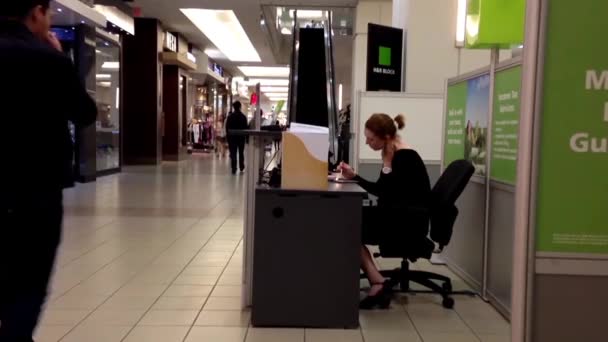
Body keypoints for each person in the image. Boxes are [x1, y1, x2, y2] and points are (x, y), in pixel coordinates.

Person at [1, 1, 97, 340]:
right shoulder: (48, 61)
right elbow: (85, 113)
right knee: (30, 280)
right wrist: (62, 62)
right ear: (37, 13)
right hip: (36, 189)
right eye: (49, 13)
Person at [338, 113, 431, 310]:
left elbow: (384, 192)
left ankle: (377, 283)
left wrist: (387, 164)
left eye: (371, 139)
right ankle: (377, 281)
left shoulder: (404, 156)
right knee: (349, 221)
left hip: (407, 222)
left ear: (385, 137)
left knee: (348, 226)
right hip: (399, 214)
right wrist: (354, 176)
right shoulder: (393, 152)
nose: (367, 142)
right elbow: (384, 190)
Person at [226, 101, 248, 174]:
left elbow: (227, 128)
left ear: (233, 107)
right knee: (241, 153)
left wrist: (228, 138)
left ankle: (234, 168)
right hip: (241, 138)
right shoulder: (243, 117)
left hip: (232, 138)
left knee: (233, 153)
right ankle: (241, 167)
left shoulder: (230, 117)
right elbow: (246, 128)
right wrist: (246, 138)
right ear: (240, 107)